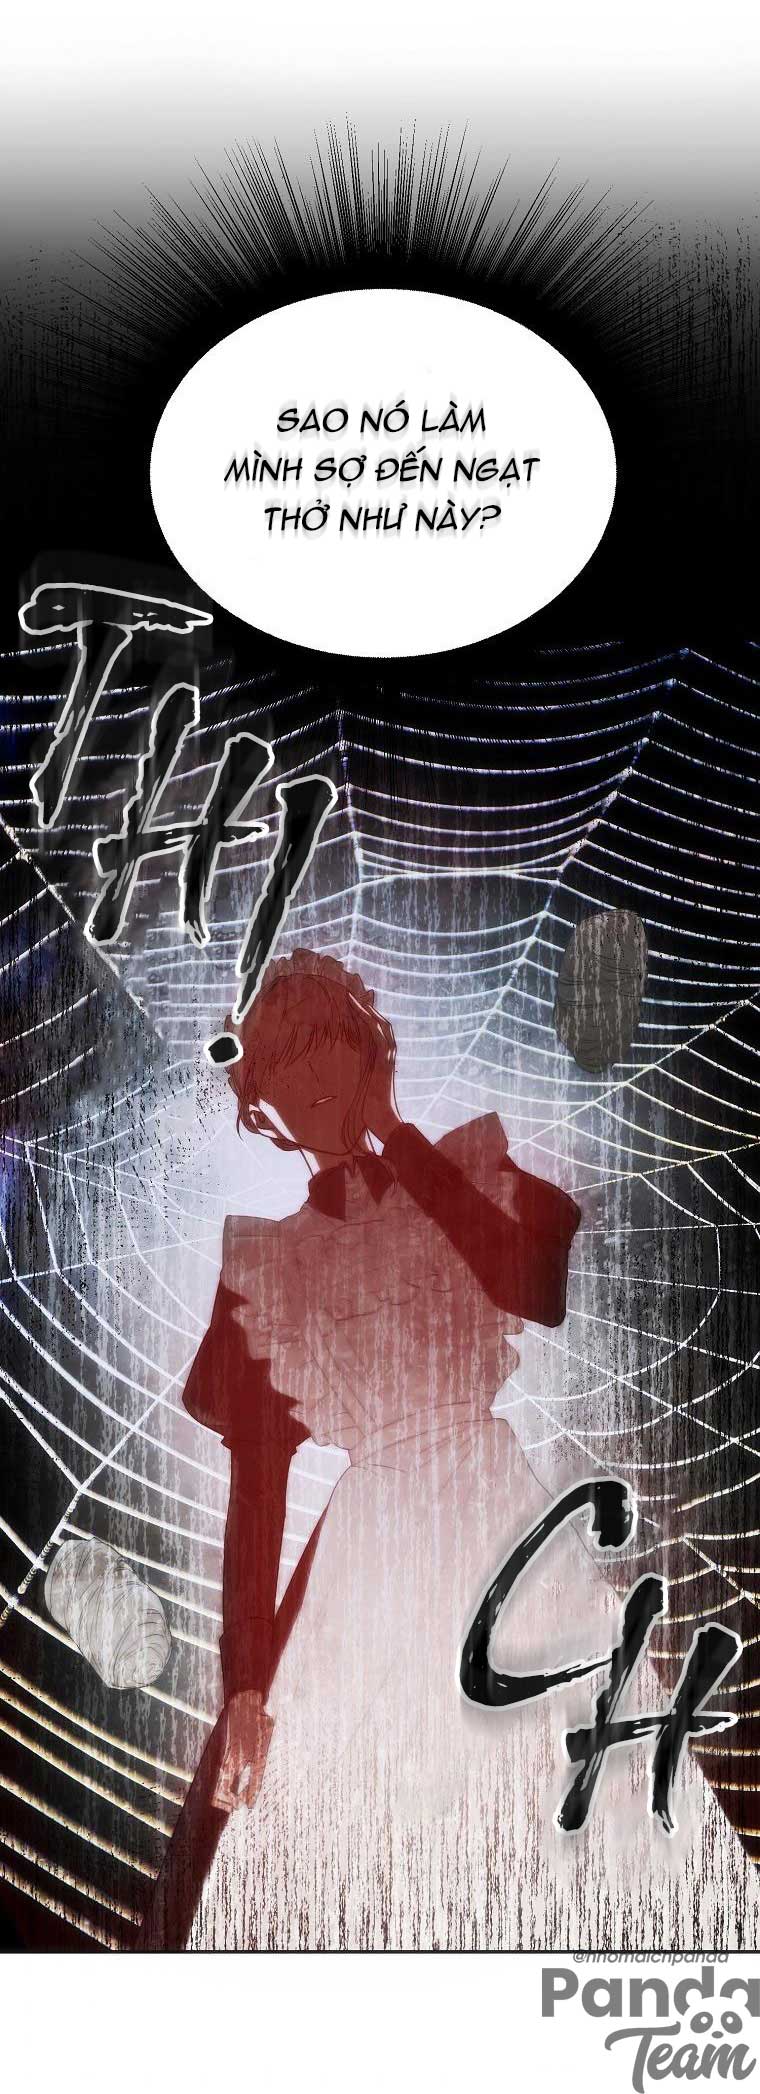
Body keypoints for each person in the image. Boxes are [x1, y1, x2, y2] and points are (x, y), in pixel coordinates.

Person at [183, 950, 760, 1949]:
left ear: (372, 1059)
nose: (312, 1085)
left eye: (331, 1054)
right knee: (356, 1853)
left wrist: (398, 1137)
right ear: (260, 1103)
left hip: (498, 1518)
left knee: (568, 1805)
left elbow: (532, 1286)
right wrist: (244, 1686)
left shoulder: (461, 1171)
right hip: (368, 1562)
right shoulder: (268, 1266)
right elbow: (258, 1496)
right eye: (283, 1069)